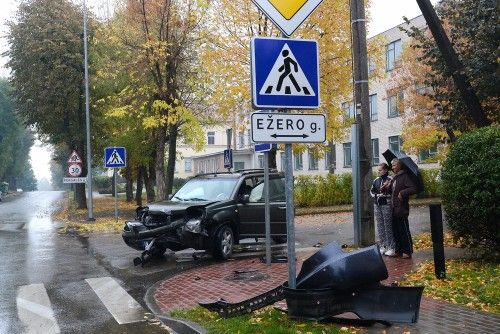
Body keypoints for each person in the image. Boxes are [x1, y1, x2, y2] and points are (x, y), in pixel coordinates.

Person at [385, 158, 418, 259]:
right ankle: (398, 250)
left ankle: (407, 251)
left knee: (404, 230)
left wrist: (402, 193)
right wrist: (388, 187)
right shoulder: (395, 178)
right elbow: (393, 192)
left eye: (394, 165)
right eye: (392, 165)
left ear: (400, 166)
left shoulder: (405, 176)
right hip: (394, 208)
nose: (392, 167)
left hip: (402, 208)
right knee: (396, 230)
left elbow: (413, 189)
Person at [370, 163, 394, 256]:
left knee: (388, 226)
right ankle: (382, 246)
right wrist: (378, 195)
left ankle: (391, 247)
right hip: (377, 204)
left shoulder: (390, 179)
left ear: (385, 170)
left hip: (387, 204)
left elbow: (392, 191)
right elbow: (372, 191)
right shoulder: (376, 180)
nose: (378, 172)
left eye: (380, 170)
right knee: (380, 226)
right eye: (378, 170)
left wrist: (385, 190)